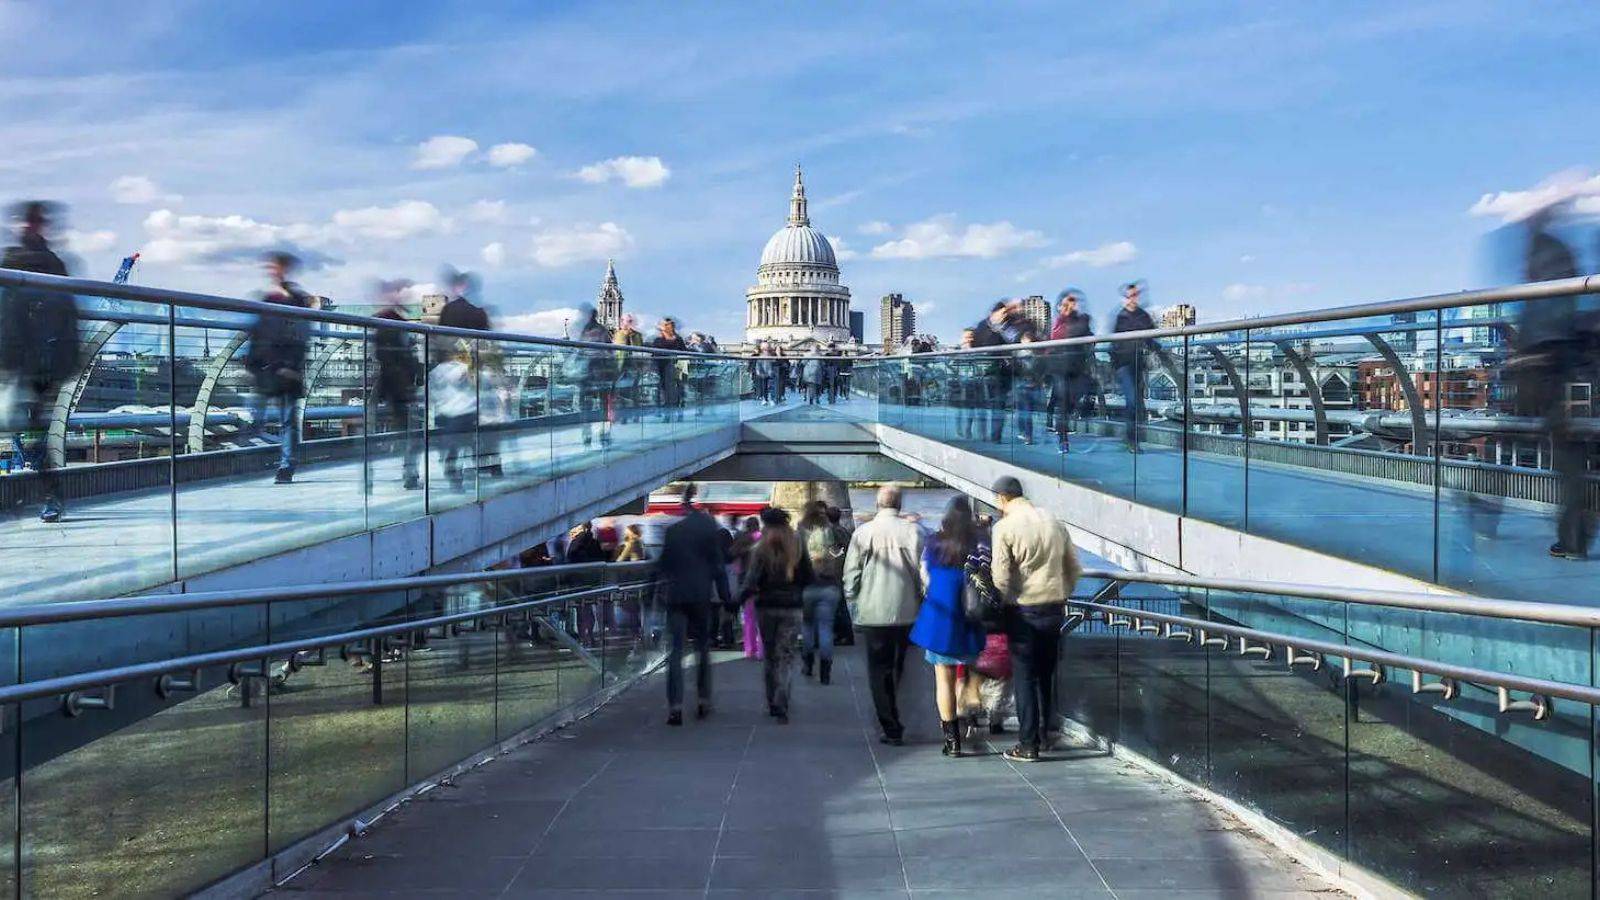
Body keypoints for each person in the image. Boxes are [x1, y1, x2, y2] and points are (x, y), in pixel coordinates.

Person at [1513, 207, 1598, 560]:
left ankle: (1574, 539)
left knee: (1568, 459)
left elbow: (1546, 326)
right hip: (1577, 366)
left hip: (1556, 370)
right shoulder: (1573, 267)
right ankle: (1574, 537)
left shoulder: (1547, 265)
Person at [990, 476, 1082, 762]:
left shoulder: (1004, 527)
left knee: (1024, 677)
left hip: (1023, 611)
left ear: (1002, 498)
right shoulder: (1054, 521)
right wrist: (1061, 592)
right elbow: (1073, 567)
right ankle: (1047, 734)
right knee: (1046, 673)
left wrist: (1000, 605)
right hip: (1054, 608)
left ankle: (1028, 744)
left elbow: (1002, 577)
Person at [0, 201, 77, 523]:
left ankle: (48, 493)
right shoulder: (30, 260)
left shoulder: (39, 262)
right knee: (27, 430)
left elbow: (61, 314)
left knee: (31, 430)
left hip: (35, 362)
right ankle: (47, 493)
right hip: (18, 358)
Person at [843, 485, 926, 745]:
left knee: (878, 668)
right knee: (898, 662)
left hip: (873, 610)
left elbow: (851, 574)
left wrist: (853, 599)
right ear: (899, 505)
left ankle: (889, 723)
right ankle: (896, 706)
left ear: (878, 504)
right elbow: (924, 574)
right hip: (907, 609)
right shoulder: (915, 532)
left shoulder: (863, 533)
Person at [910, 496, 987, 757]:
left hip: (941, 615)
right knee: (965, 669)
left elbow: (924, 577)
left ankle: (951, 740)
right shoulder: (978, 542)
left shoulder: (934, 542)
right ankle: (966, 711)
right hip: (969, 616)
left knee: (942, 678)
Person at [655, 484, 731, 725]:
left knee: (675, 652)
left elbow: (661, 566)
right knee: (702, 649)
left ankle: (675, 707)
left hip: (676, 596)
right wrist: (727, 597)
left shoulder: (673, 531)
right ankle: (703, 700)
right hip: (701, 596)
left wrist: (651, 596)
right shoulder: (709, 529)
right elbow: (718, 568)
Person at [244, 251, 313, 484]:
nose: (271, 271)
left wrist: (290, 365)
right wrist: (252, 363)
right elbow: (257, 333)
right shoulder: (268, 299)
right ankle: (277, 462)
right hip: (267, 368)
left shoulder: (295, 299)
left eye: (275, 267)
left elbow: (301, 335)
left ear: (284, 269)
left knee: (287, 419)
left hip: (284, 369)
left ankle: (286, 466)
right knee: (257, 417)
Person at [740, 506, 814, 722]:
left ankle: (772, 700)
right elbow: (808, 575)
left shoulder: (760, 548)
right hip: (792, 608)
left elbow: (751, 580)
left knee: (771, 656)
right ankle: (783, 698)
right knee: (787, 655)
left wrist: (740, 598)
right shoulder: (798, 545)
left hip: (766, 607)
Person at [370, 280, 423, 490]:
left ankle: (378, 477)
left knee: (404, 431)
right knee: (411, 431)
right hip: (398, 386)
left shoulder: (383, 321)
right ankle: (409, 473)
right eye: (400, 293)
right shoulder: (393, 322)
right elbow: (398, 357)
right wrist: (414, 378)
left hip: (386, 385)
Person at [797, 500, 847, 683]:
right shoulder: (829, 531)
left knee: (808, 627)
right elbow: (837, 553)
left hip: (807, 586)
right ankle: (825, 672)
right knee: (826, 628)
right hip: (829, 585)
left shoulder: (800, 531)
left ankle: (808, 665)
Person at [1111, 281, 1155, 452]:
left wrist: (1155, 348)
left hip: (1138, 364)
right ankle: (1131, 440)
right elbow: (1113, 342)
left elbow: (1151, 337)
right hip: (1123, 365)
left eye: (1135, 295)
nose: (1133, 299)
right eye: (1130, 296)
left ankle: (1131, 437)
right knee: (1131, 400)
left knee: (1137, 402)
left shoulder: (1144, 316)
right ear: (1125, 298)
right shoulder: (1120, 317)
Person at [427, 346, 478, 492]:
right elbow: (473, 386)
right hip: (464, 412)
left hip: (443, 413)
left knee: (451, 447)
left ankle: (453, 475)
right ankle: (462, 474)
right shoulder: (462, 369)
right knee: (465, 445)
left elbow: (431, 395)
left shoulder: (433, 373)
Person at [1049, 289, 1094, 454]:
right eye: (1066, 302)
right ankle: (1063, 439)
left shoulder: (1082, 319)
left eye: (1072, 302)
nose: (1069, 305)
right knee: (1062, 401)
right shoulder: (1058, 322)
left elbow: (1083, 332)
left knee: (1072, 401)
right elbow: (1056, 338)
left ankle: (1062, 426)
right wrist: (1064, 316)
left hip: (1077, 367)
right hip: (1059, 368)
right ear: (1060, 305)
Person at [573, 305, 617, 447]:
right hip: (600, 374)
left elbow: (578, 352)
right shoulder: (602, 331)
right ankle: (604, 435)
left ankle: (587, 435)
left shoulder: (583, 331)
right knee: (603, 406)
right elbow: (609, 351)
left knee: (586, 406)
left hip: (587, 374)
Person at [729, 515, 764, 658]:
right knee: (762, 619)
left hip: (746, 582)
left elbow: (731, 555)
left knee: (749, 618)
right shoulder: (763, 538)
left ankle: (750, 649)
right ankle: (762, 650)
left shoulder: (742, 539)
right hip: (762, 582)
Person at [827, 505, 856, 646]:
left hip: (835, 570)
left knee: (838, 605)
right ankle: (844, 634)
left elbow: (833, 551)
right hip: (843, 568)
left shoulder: (831, 532)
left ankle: (843, 635)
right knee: (841, 604)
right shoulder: (844, 530)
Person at [648, 317, 688, 421]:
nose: (668, 327)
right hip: (663, 369)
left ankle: (677, 413)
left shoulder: (678, 339)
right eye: (666, 325)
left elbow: (684, 353)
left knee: (676, 390)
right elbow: (654, 355)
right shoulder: (658, 340)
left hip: (676, 369)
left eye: (669, 325)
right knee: (666, 392)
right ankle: (668, 414)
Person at [612, 313, 645, 425]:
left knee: (634, 392)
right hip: (620, 367)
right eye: (625, 321)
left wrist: (630, 335)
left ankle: (635, 415)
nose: (627, 323)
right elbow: (616, 350)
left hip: (634, 367)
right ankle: (623, 417)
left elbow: (639, 350)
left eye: (630, 321)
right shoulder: (618, 334)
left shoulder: (637, 335)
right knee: (621, 392)